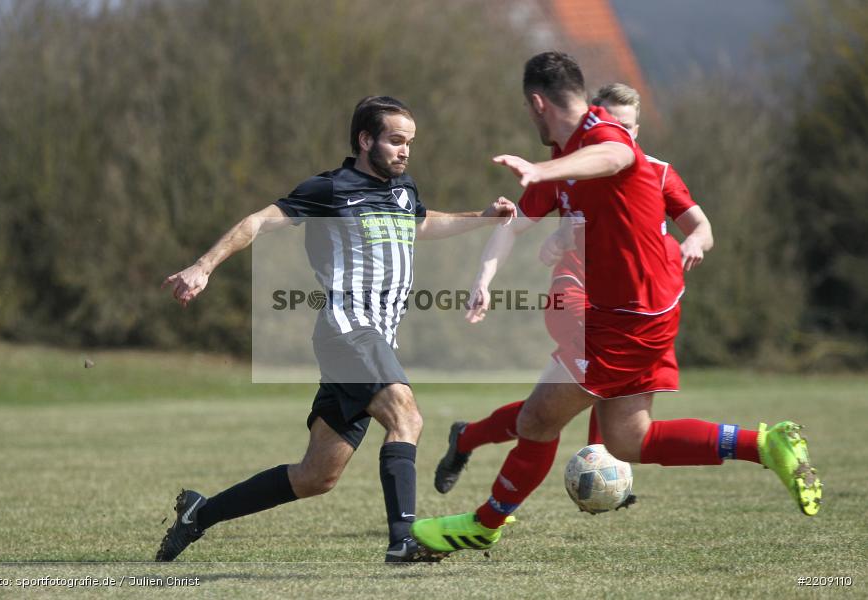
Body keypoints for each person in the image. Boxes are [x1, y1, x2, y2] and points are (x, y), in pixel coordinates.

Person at [411, 53, 821, 557]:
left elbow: (615, 158)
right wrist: (485, 276)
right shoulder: (569, 156)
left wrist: (542, 168)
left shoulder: (603, 137)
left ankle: (483, 522)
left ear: (537, 104)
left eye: (528, 109)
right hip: (637, 312)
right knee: (629, 439)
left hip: (627, 319)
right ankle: (765, 444)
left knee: (540, 419)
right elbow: (513, 224)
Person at [156, 95, 516, 563]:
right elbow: (259, 223)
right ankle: (403, 540)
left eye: (410, 141)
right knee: (406, 417)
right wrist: (204, 266)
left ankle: (198, 515)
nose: (405, 150)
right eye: (395, 140)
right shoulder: (330, 189)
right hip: (348, 329)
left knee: (316, 476)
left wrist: (481, 217)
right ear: (366, 140)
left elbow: (421, 224)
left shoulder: (403, 191)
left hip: (376, 338)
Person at [434, 82, 714, 493]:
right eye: (612, 122)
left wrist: (693, 241)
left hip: (636, 305)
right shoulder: (568, 165)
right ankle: (598, 471)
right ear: (594, 119)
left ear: (638, 130)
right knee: (578, 391)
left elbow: (702, 226)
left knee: (564, 402)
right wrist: (489, 275)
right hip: (575, 291)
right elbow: (513, 225)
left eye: (629, 126)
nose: (620, 132)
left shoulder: (656, 172)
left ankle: (470, 437)